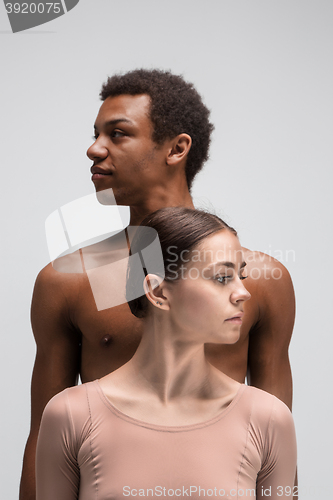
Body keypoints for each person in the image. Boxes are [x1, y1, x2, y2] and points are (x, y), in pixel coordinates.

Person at [20, 69, 295, 500]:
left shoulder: (260, 281)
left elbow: (278, 450)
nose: (94, 149)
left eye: (118, 134)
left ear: (177, 148)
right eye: (96, 134)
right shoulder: (68, 282)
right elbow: (43, 440)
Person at [36, 207, 297, 500]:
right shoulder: (70, 416)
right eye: (223, 278)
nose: (243, 292)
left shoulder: (269, 419)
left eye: (241, 276)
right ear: (158, 293)